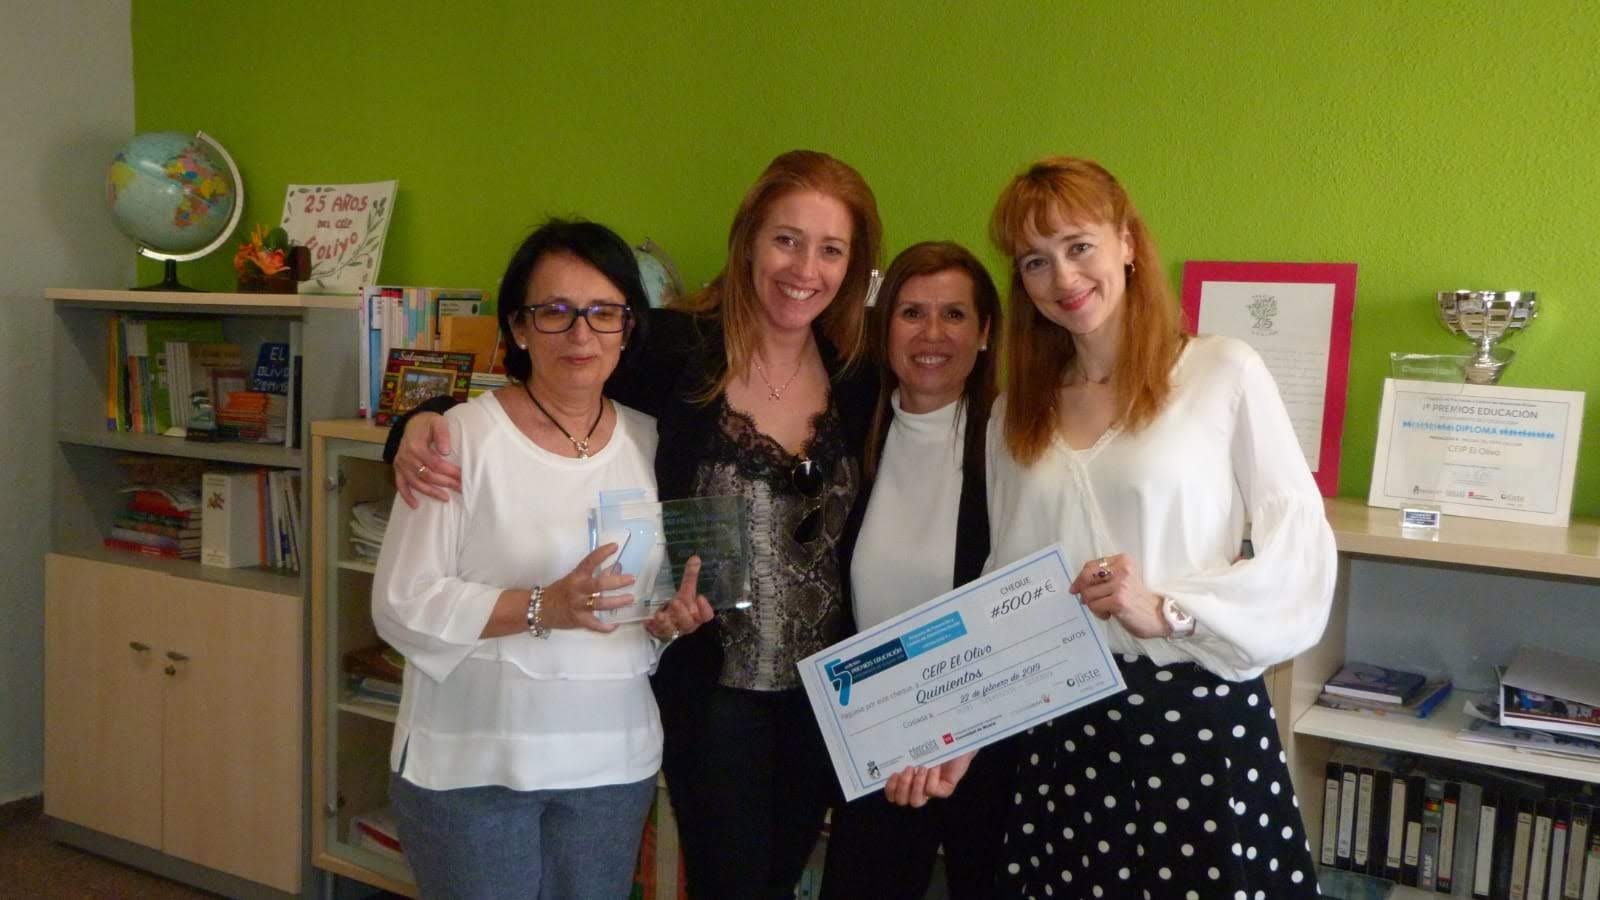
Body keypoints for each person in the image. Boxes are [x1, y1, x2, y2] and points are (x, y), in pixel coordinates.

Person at [389, 150, 882, 900]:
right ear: (749, 240)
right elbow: (558, 369)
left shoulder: (858, 374)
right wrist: (420, 421)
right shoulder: (678, 349)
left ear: (854, 266)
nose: (804, 268)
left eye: (831, 249)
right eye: (786, 239)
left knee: (780, 878)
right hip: (712, 693)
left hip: (821, 693)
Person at [981, 156, 1337, 898]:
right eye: (1035, 261)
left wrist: (1171, 610)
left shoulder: (1221, 372)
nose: (1062, 277)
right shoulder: (1015, 413)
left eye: (1079, 246)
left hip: (1198, 723)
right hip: (1067, 733)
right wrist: (957, 724)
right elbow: (1006, 585)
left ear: (1127, 243)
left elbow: (1299, 547)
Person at [372, 219, 714, 900]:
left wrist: (666, 622)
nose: (581, 334)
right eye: (555, 311)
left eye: (603, 312)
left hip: (611, 764)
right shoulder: (460, 439)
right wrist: (542, 606)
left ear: (628, 328)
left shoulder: (652, 442)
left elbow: (635, 601)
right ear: (519, 327)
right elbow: (401, 604)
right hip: (475, 766)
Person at [818, 241, 1016, 900]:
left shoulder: (1015, 446)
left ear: (984, 333)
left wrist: (959, 729)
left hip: (989, 748)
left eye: (954, 314)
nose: (932, 334)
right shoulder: (851, 436)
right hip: (881, 746)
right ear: (884, 330)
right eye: (911, 313)